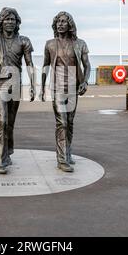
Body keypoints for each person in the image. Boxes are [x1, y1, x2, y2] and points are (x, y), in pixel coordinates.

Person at [0, 7, 36, 174]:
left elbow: (29, 64)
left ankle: (8, 152)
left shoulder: (23, 41)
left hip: (16, 84)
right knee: (2, 122)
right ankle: (0, 160)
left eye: (13, 19)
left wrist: (33, 85)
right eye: (7, 19)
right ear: (1, 22)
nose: (10, 22)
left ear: (17, 22)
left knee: (10, 124)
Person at [40, 12, 91, 173]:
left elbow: (87, 65)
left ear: (70, 25)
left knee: (69, 123)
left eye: (64, 21)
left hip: (73, 88)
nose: (60, 24)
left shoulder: (80, 44)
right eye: (58, 22)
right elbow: (46, 66)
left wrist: (85, 81)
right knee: (61, 122)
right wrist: (41, 87)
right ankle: (61, 160)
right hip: (58, 88)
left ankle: (67, 153)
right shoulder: (50, 44)